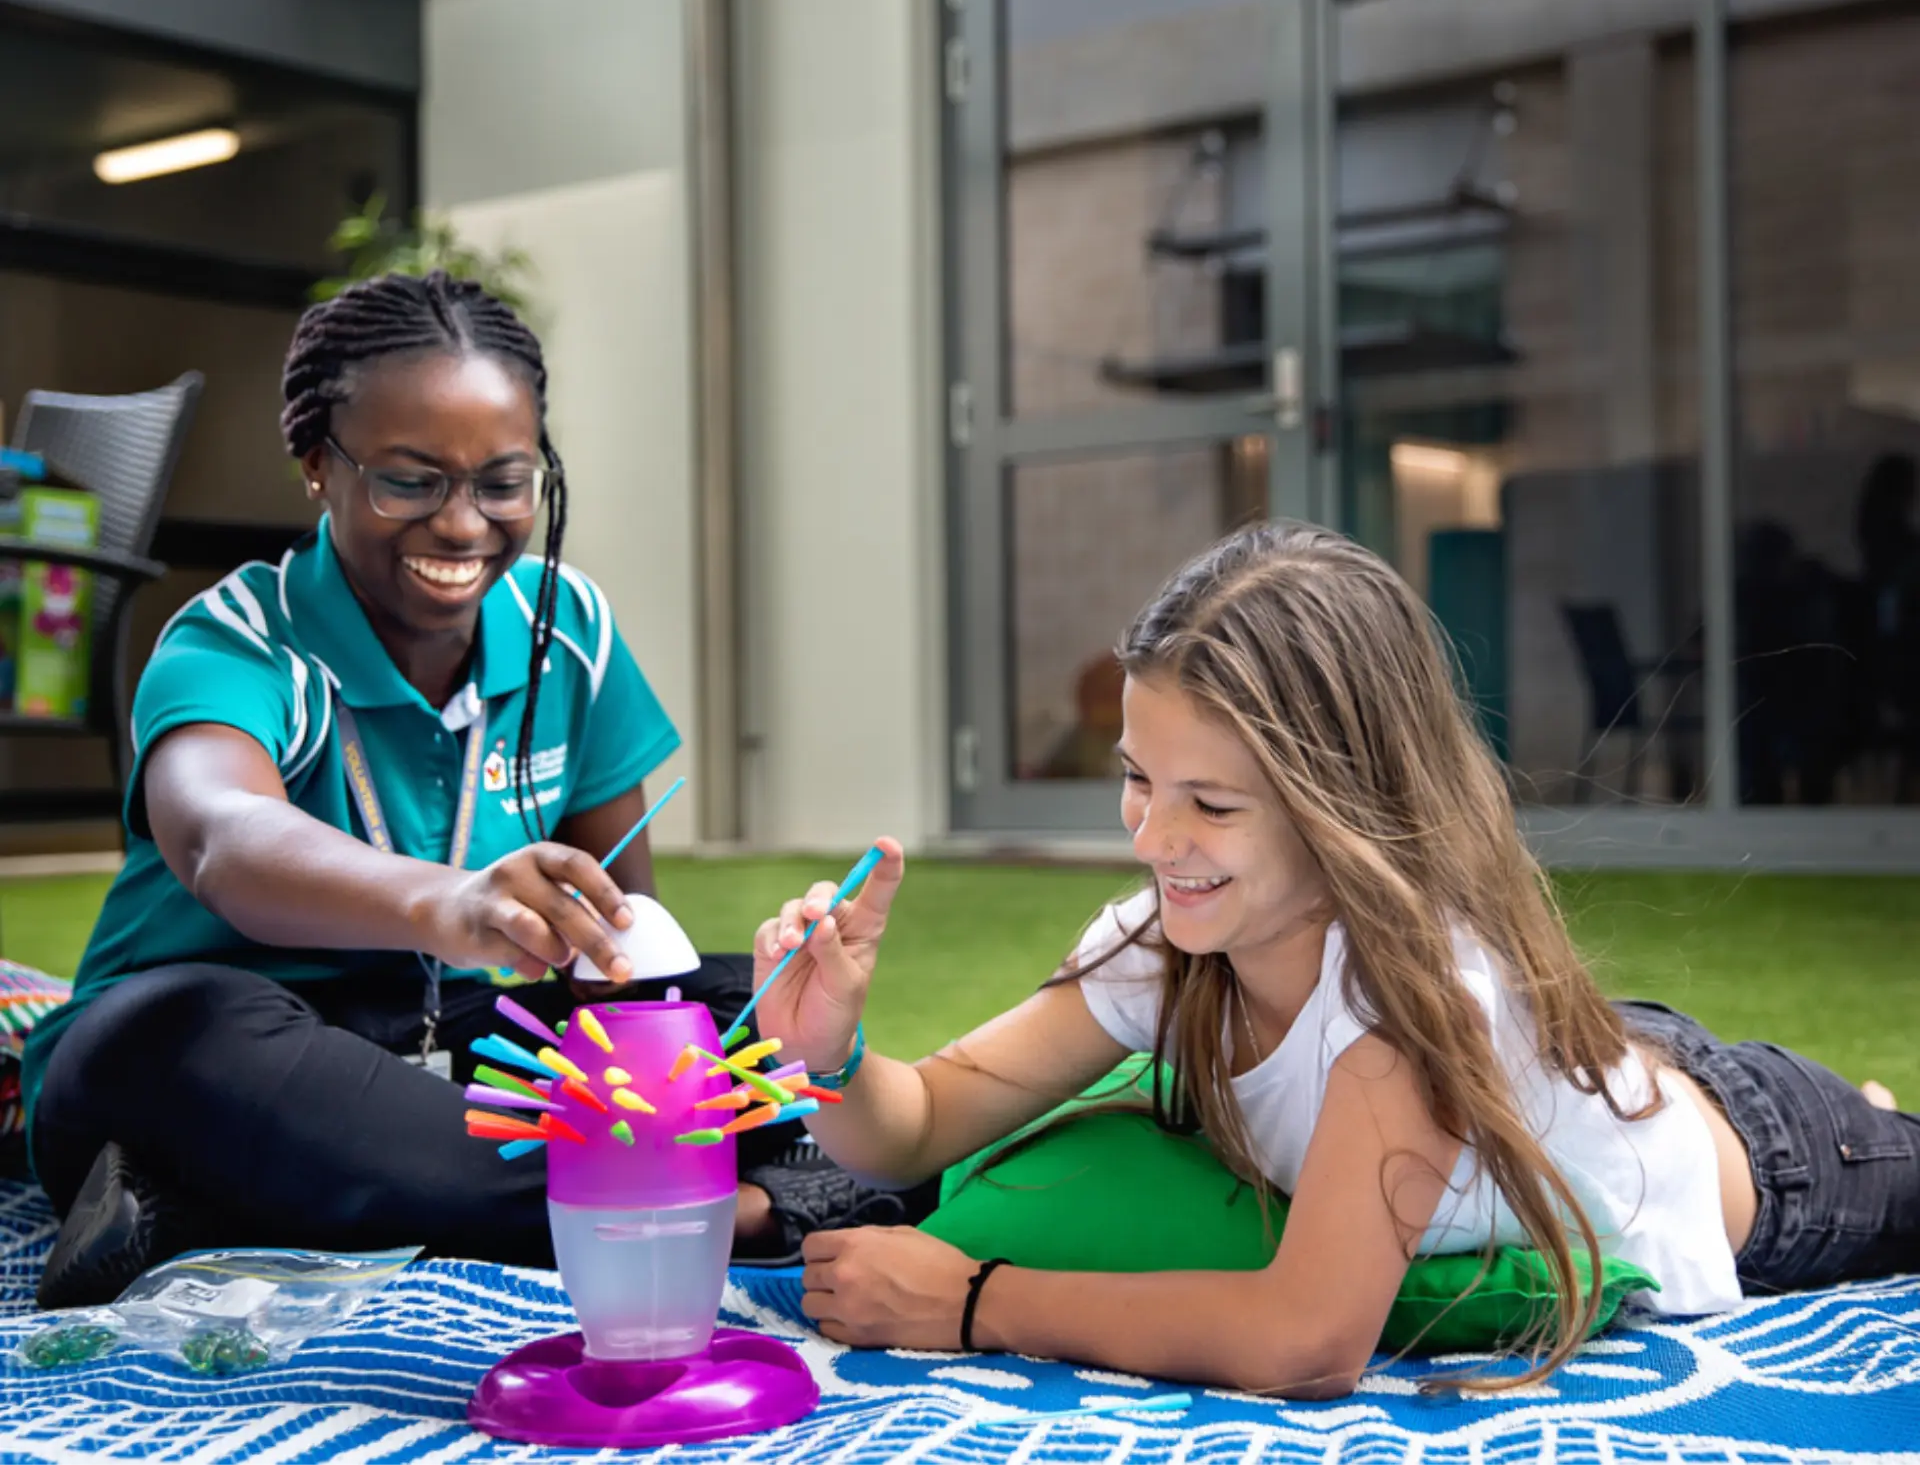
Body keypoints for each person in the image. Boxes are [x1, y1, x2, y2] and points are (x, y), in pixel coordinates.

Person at [756, 522, 1920, 1395]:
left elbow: (1311, 1337)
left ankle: (1865, 1109)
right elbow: (913, 1123)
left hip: (1771, 1167)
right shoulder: (1164, 945)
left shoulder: (1405, 1006)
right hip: (1598, 1063)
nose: (1154, 838)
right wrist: (832, 1050)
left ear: (1339, 803)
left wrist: (975, 1303)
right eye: (1136, 777)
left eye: (1209, 800)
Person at [22, 271, 899, 1310]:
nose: (462, 524)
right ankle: (748, 1209)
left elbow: (618, 942)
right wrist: (450, 900)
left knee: (731, 1018)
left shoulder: (566, 627)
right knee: (181, 1026)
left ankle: (219, 1206)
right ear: (317, 465)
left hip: (459, 1036)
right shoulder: (241, 636)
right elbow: (222, 834)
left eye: (502, 479)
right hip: (214, 1042)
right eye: (409, 479)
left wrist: (686, 1016)